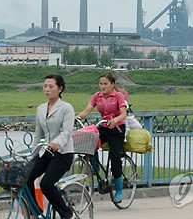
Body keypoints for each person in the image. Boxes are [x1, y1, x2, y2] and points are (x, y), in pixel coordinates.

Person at [26, 74, 75, 219]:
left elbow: (66, 132)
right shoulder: (41, 109)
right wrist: (33, 154)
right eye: (45, 86)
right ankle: (35, 213)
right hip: (45, 152)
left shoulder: (66, 108)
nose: (47, 89)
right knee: (25, 178)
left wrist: (56, 143)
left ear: (60, 89)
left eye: (51, 86)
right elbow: (39, 136)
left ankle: (68, 214)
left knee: (46, 184)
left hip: (63, 153)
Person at [76, 72, 127, 203]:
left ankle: (119, 190)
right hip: (104, 126)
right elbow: (87, 110)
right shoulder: (97, 96)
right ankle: (96, 167)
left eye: (105, 83)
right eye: (101, 83)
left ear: (112, 84)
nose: (102, 86)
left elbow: (123, 114)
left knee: (115, 157)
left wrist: (115, 120)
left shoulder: (118, 96)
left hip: (116, 129)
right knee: (90, 142)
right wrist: (78, 117)